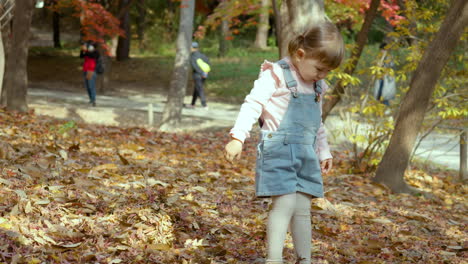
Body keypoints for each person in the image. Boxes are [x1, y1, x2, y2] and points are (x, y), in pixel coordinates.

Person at [224, 21, 344, 264]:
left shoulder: (317, 85)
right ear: (300, 55)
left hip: (306, 153)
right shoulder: (276, 74)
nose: (322, 76)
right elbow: (253, 104)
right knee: (285, 203)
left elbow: (316, 122)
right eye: (319, 69)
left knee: (302, 207)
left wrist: (324, 151)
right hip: (278, 150)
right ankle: (274, 259)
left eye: (327, 72)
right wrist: (238, 137)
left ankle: (305, 259)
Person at [186, 41, 210, 109]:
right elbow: (208, 62)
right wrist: (205, 72)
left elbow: (194, 66)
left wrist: (200, 73)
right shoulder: (202, 55)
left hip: (197, 75)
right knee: (196, 89)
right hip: (204, 74)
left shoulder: (193, 56)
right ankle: (192, 104)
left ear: (192, 48)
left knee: (199, 89)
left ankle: (204, 104)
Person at [373, 42, 396, 107]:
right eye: (381, 50)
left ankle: (385, 110)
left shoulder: (390, 58)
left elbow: (390, 68)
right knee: (378, 96)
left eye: (383, 50)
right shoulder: (379, 58)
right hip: (380, 80)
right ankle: (379, 110)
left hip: (387, 81)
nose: (381, 51)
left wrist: (382, 67)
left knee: (386, 97)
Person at [80, 42, 100, 107]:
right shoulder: (87, 52)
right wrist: (82, 50)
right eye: (89, 46)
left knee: (91, 86)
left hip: (91, 71)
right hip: (85, 70)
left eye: (91, 46)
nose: (90, 47)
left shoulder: (96, 52)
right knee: (87, 86)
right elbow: (81, 56)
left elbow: (91, 55)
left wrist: (86, 50)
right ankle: (91, 100)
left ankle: (93, 101)